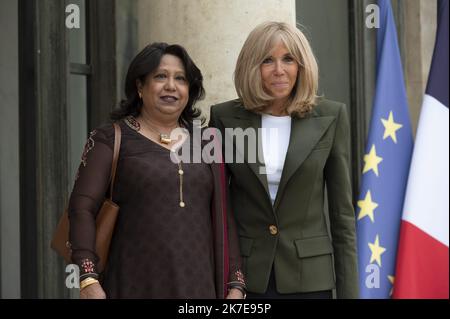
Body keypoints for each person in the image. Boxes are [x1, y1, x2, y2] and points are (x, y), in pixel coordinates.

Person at [68, 42, 246, 299]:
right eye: (160, 76)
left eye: (181, 79)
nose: (171, 86)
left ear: (189, 90)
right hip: (132, 284)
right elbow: (81, 207)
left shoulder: (207, 143)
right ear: (140, 86)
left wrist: (236, 284)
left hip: (198, 289)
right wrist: (88, 278)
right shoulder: (111, 138)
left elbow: (224, 217)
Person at [209, 21, 358, 299]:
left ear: (301, 65)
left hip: (311, 279)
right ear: (252, 67)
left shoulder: (331, 116)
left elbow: (342, 215)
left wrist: (350, 293)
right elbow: (218, 205)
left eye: (288, 59)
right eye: (268, 60)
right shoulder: (223, 117)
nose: (279, 70)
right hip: (246, 281)